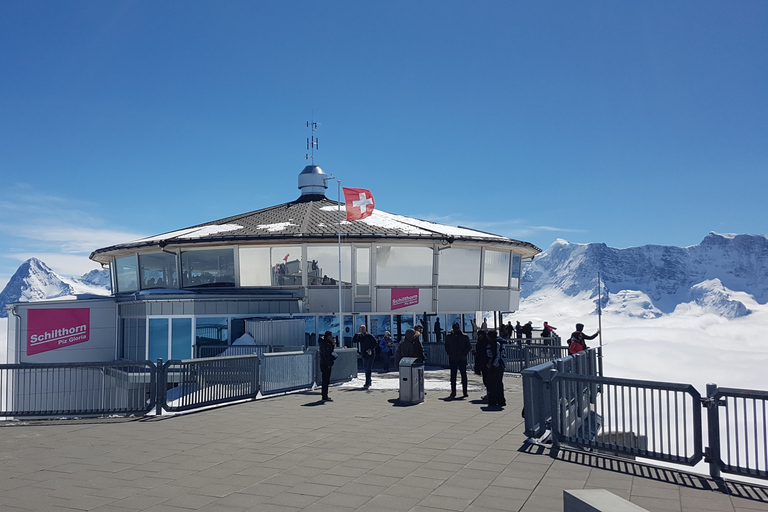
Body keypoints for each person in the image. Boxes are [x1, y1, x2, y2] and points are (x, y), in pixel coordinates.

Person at [445, 322, 472, 398]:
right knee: (453, 376)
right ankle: (453, 391)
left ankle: (465, 391)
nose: (456, 329)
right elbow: (446, 346)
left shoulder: (464, 336)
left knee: (463, 376)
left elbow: (469, 347)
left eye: (457, 328)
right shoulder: (449, 337)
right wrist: (449, 352)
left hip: (462, 358)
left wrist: (464, 353)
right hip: (453, 358)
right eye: (455, 328)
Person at [484, 329, 507, 407]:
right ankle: (500, 400)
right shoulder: (500, 342)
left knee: (492, 384)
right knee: (499, 383)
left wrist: (493, 365)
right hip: (500, 365)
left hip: (496, 366)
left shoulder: (495, 343)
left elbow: (497, 355)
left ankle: (493, 401)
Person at [318, 331, 336, 401]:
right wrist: (329, 364)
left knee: (325, 380)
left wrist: (333, 344)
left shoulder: (325, 343)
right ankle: (324, 396)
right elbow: (327, 355)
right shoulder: (326, 344)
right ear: (328, 337)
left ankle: (325, 395)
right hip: (325, 364)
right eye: (331, 336)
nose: (332, 337)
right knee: (325, 380)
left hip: (323, 363)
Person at [473, 329, 489, 400]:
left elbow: (484, 352)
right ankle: (489, 393)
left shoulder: (486, 341)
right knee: (485, 378)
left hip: (485, 361)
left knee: (487, 378)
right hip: (481, 361)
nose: (479, 336)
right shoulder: (480, 340)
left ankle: (489, 394)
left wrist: (477, 353)